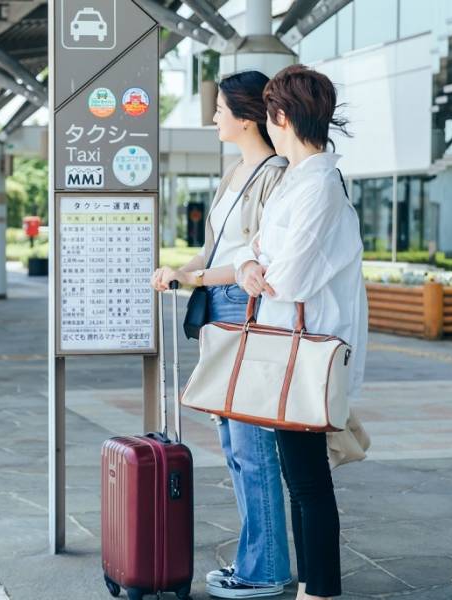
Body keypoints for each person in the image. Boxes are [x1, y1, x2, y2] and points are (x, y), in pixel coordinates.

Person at [150, 70, 293, 599]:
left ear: (247, 115)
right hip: (221, 307)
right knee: (234, 443)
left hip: (246, 307)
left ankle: (268, 569)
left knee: (252, 444)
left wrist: (193, 277)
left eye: (220, 109)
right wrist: (178, 270)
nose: (213, 117)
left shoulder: (277, 174)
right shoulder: (235, 171)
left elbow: (255, 260)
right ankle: (254, 562)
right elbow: (213, 253)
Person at [233, 65, 368, 600]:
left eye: (271, 112)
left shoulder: (319, 185)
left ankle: (320, 591)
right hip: (287, 344)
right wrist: (250, 265)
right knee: (301, 476)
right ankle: (313, 587)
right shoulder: (298, 178)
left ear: (282, 115)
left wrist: (259, 266)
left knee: (309, 482)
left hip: (306, 350)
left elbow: (290, 275)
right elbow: (255, 251)